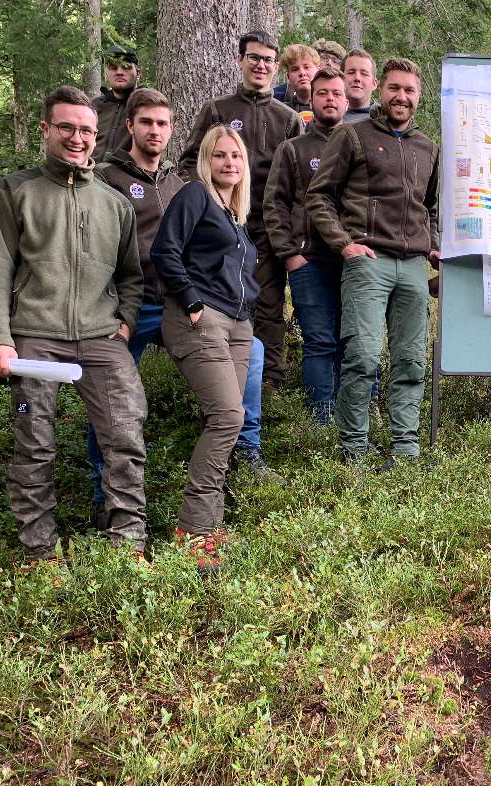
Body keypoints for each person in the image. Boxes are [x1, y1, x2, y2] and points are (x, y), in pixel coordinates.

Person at [0, 86, 147, 565]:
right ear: (47, 130)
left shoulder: (115, 203)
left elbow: (131, 276)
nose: (77, 138)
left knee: (125, 436)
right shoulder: (17, 190)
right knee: (35, 443)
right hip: (36, 334)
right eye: (67, 128)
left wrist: (127, 324)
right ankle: (39, 552)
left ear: (98, 136)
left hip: (101, 336)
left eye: (87, 131)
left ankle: (127, 544)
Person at [308, 57, 440, 467]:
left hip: (414, 266)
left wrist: (432, 244)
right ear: (381, 90)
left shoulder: (427, 148)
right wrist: (345, 245)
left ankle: (405, 450)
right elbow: (318, 197)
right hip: (369, 261)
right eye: (395, 88)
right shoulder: (352, 136)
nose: (402, 97)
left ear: (419, 96)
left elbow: (430, 206)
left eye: (410, 90)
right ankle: (355, 451)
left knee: (410, 359)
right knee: (363, 356)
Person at [179, 30, 303, 465]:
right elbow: (189, 162)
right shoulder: (217, 110)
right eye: (255, 58)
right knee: (220, 311)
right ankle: (219, 403)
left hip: (267, 230)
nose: (262, 66)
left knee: (265, 308)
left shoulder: (288, 117)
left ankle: (268, 386)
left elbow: (294, 181)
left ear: (276, 66)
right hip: (220, 229)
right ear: (240, 61)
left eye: (270, 60)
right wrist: (207, 208)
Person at [152, 125, 259, 574]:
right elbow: (164, 250)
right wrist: (192, 301)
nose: (229, 163)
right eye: (220, 156)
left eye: (236, 156)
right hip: (201, 319)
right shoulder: (195, 196)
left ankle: (210, 525)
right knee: (229, 417)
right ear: (207, 162)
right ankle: (194, 531)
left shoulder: (235, 216)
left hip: (237, 324)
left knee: (222, 419)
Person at [87, 87, 185, 527]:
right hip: (130, 305)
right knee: (112, 401)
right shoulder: (106, 177)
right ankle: (100, 486)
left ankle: (234, 465)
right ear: (130, 125)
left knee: (244, 362)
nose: (155, 131)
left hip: (178, 304)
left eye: (162, 124)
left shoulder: (177, 182)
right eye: (147, 122)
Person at [264, 67, 349, 423]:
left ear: (347, 101)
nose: (330, 99)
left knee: (355, 343)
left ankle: (359, 416)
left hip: (356, 262)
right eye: (323, 93)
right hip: (309, 261)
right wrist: (289, 254)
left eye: (336, 93)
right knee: (320, 341)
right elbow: (275, 203)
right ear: (311, 100)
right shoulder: (293, 149)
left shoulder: (358, 142)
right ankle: (321, 419)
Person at [91, 44, 140, 163]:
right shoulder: (93, 107)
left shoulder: (146, 105)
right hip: (91, 177)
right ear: (105, 74)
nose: (119, 72)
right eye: (113, 68)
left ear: (138, 73)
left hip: (129, 178)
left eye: (126, 67)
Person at [275, 44, 320, 123]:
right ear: (288, 77)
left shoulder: (331, 107)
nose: (302, 73)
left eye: (306, 67)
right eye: (295, 69)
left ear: (318, 71)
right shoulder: (281, 112)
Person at [341, 49, 379, 124]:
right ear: (340, 78)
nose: (357, 78)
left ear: (374, 84)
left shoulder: (385, 119)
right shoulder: (325, 116)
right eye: (351, 72)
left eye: (364, 74)